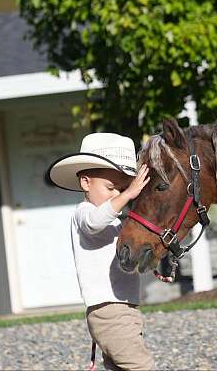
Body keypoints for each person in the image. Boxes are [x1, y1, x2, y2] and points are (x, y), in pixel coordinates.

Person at [48, 132, 154, 371]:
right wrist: (128, 194)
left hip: (123, 308)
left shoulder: (115, 222)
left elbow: (125, 257)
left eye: (123, 188)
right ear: (86, 182)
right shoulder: (83, 212)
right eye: (110, 188)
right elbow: (95, 222)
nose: (118, 195)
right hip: (109, 311)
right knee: (141, 366)